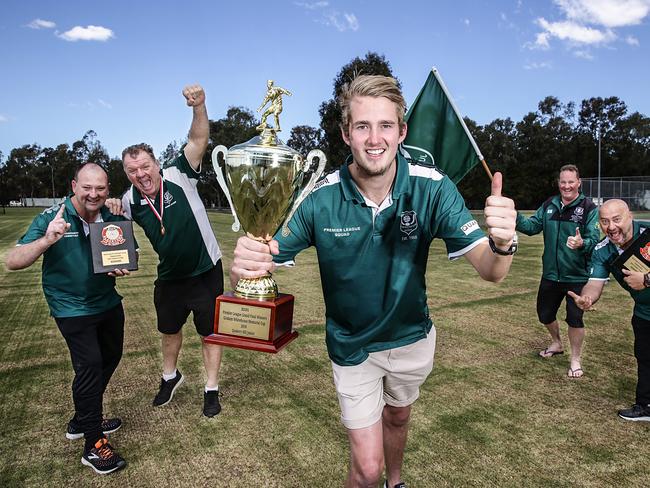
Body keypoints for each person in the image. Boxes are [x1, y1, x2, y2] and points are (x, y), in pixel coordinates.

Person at [230, 74, 517, 488]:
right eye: (362, 126)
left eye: (385, 125)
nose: (374, 138)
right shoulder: (319, 196)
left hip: (412, 338)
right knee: (365, 468)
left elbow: (491, 271)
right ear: (346, 134)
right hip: (352, 347)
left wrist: (503, 243)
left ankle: (395, 481)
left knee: (399, 416)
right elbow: (268, 254)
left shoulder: (432, 188)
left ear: (402, 131)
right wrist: (250, 259)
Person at [5, 163, 133, 475]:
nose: (94, 194)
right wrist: (47, 240)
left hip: (106, 301)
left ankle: (83, 417)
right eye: (87, 187)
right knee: (89, 365)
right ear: (74, 185)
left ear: (107, 188)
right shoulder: (53, 216)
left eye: (100, 188)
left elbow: (129, 251)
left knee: (111, 357)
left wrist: (124, 264)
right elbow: (13, 260)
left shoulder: (112, 214)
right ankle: (92, 443)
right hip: (70, 305)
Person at [107, 84, 224, 418]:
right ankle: (169, 378)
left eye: (145, 166)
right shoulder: (129, 199)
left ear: (156, 162)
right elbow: (111, 231)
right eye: (132, 170)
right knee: (169, 331)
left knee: (209, 333)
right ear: (126, 173)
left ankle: (211, 388)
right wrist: (112, 207)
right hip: (171, 278)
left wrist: (199, 106)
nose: (140, 174)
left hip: (205, 271)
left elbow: (199, 139)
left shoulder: (178, 172)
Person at [568, 199, 650, 421]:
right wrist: (587, 298)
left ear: (629, 216)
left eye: (616, 219)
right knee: (645, 358)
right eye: (605, 221)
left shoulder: (648, 232)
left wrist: (647, 279)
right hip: (644, 312)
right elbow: (595, 283)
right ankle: (645, 407)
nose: (611, 227)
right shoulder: (602, 251)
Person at [515, 164, 599, 378]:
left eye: (571, 182)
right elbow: (531, 226)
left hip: (577, 276)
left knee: (574, 319)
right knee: (544, 315)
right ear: (558, 183)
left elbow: (594, 239)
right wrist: (512, 215)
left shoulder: (589, 208)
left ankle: (575, 359)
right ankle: (557, 343)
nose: (567, 186)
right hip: (551, 274)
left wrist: (582, 243)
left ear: (579, 182)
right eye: (563, 182)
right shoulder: (549, 204)